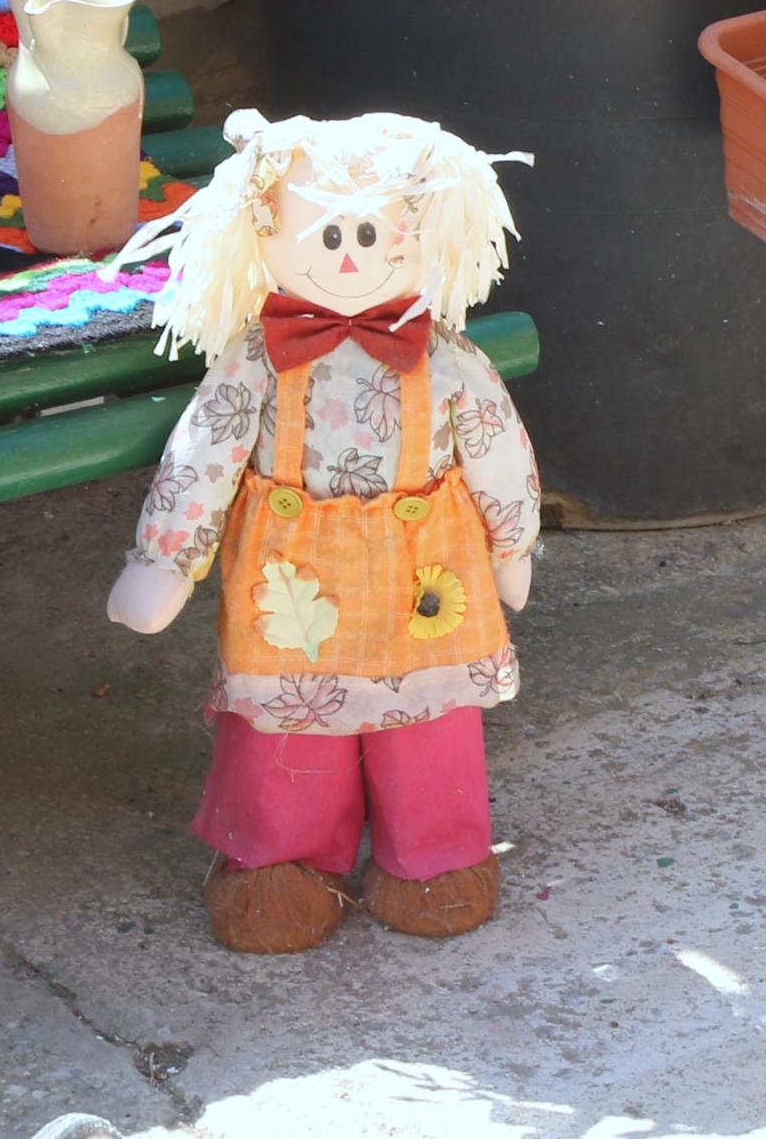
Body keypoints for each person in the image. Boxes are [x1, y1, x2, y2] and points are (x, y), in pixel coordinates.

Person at [107, 110, 543, 954]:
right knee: (285, 733)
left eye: (372, 232)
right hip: (290, 579)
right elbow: (205, 450)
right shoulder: (255, 360)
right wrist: (165, 559)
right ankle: (282, 866)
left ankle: (435, 859)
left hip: (429, 579)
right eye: (327, 231)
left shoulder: (450, 359)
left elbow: (497, 449)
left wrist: (510, 543)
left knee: (431, 724)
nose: (348, 253)